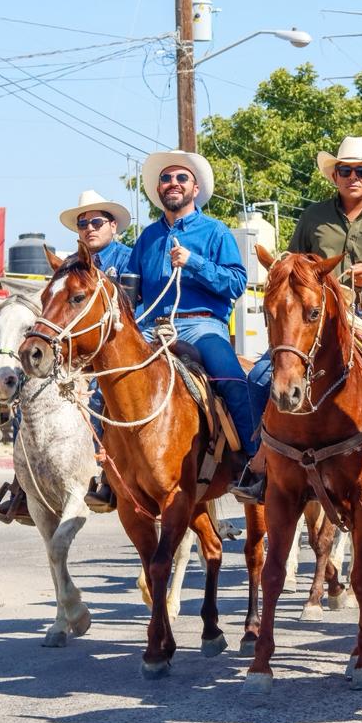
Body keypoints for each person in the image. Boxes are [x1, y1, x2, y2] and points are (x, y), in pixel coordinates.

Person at [234, 137, 362, 503]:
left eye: (361, 171)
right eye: (345, 171)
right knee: (258, 377)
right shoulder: (312, 217)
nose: (353, 177)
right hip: (314, 319)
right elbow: (290, 266)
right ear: (334, 176)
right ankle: (262, 462)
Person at [86, 149, 255, 511]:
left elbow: (237, 283)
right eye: (166, 178)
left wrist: (193, 263)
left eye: (181, 178)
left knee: (232, 381)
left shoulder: (215, 232)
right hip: (152, 326)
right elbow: (132, 293)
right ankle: (108, 473)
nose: (173, 184)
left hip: (201, 324)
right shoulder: (148, 238)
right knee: (104, 385)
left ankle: (253, 467)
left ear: (195, 188)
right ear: (159, 189)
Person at [0, 189, 133, 522]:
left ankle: (103, 477)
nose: (89, 228)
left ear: (113, 225)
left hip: (113, 350)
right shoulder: (68, 267)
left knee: (101, 400)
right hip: (74, 353)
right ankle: (25, 488)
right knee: (29, 399)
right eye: (83, 223)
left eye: (96, 221)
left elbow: (135, 304)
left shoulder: (127, 259)